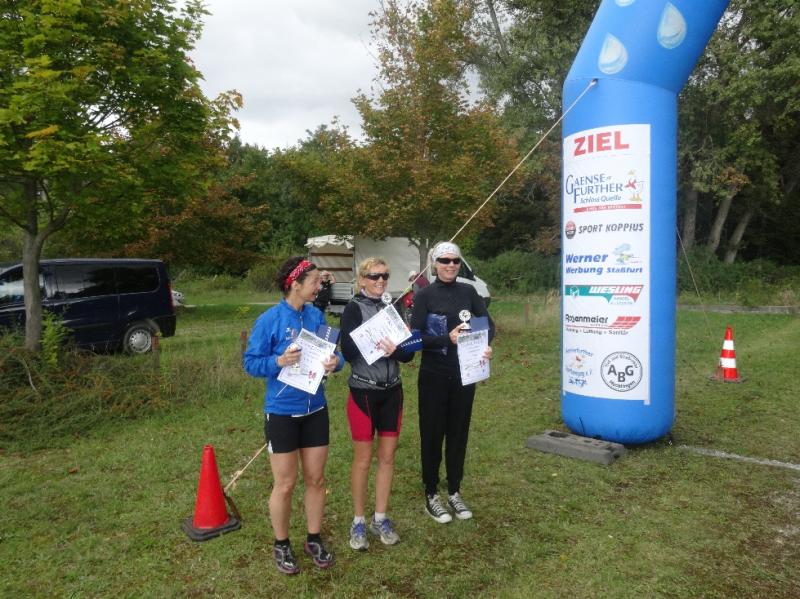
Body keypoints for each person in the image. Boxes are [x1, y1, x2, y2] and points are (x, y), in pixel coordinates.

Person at [243, 256, 345, 575]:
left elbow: (334, 354)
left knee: (316, 479)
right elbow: (251, 363)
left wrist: (336, 363)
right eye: (314, 281)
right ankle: (282, 543)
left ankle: (313, 538)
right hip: (282, 412)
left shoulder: (315, 315)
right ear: (295, 285)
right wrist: (279, 361)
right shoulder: (269, 320)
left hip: (315, 409)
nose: (319, 286)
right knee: (285, 484)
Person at [410, 242, 494, 523]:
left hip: (464, 375)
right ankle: (431, 493)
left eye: (455, 261)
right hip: (433, 376)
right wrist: (447, 339)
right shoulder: (424, 295)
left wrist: (484, 345)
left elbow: (487, 325)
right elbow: (416, 338)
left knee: (458, 433)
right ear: (435, 264)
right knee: (432, 434)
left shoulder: (468, 292)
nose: (450, 265)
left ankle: (454, 490)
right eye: (445, 260)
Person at [340, 257, 414, 550]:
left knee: (387, 458)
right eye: (374, 276)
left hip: (392, 391)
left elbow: (408, 353)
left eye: (384, 276)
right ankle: (358, 521)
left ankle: (380, 517)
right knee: (363, 460)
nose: (380, 281)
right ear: (362, 279)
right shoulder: (353, 308)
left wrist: (395, 349)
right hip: (364, 391)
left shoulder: (393, 306)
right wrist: (373, 333)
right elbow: (347, 351)